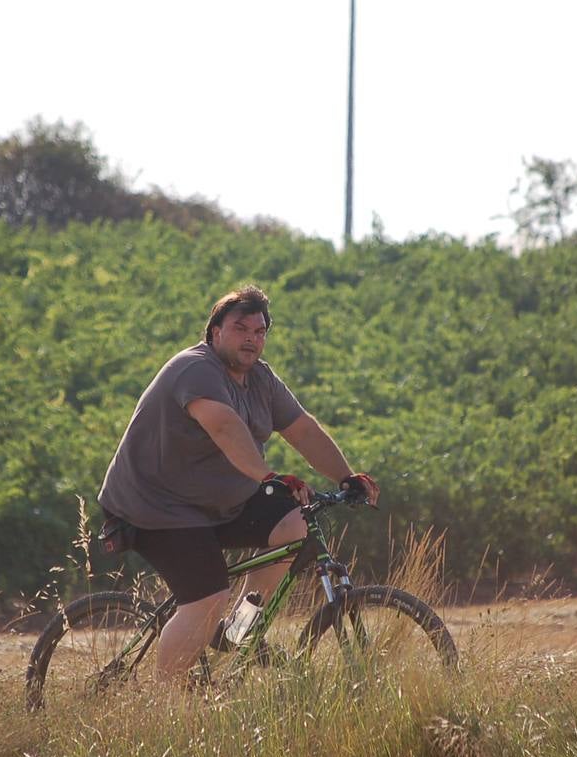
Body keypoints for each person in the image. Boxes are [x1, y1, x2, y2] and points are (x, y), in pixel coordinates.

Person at [97, 284, 379, 684]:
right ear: (215, 332)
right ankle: (166, 709)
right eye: (240, 328)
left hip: (219, 505)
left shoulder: (261, 380)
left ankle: (237, 630)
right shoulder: (195, 369)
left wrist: (346, 477)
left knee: (297, 524)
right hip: (156, 507)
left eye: (260, 331)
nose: (252, 338)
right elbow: (224, 426)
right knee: (207, 597)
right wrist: (268, 476)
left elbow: (302, 430)